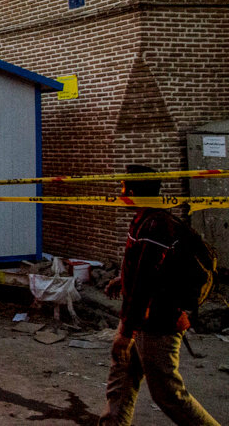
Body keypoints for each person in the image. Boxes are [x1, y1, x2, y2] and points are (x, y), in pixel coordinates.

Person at [98, 165, 219, 426]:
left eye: (122, 188)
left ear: (132, 191)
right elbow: (147, 269)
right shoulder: (145, 220)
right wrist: (123, 280)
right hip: (143, 319)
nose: (119, 192)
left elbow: (145, 282)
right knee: (121, 383)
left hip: (158, 324)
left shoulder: (156, 226)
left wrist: (125, 333)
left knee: (168, 394)